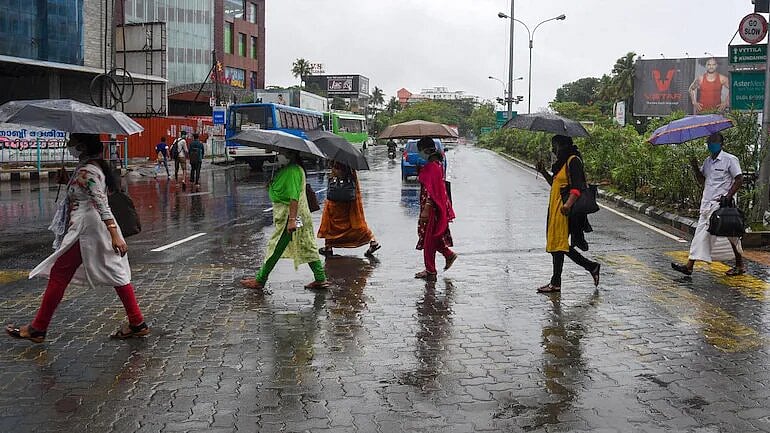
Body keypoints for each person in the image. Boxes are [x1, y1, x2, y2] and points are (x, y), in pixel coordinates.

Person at [5, 133, 149, 343]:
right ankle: (137, 322)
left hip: (86, 230)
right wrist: (68, 180)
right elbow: (86, 193)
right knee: (115, 272)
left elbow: (101, 202)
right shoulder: (89, 168)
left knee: (60, 274)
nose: (68, 146)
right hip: (92, 228)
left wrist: (114, 234)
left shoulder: (87, 171)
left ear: (82, 146)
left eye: (71, 142)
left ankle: (38, 328)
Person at [240, 150, 330, 291]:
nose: (279, 156)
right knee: (306, 245)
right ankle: (320, 278)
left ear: (291, 155)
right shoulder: (290, 169)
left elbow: (293, 197)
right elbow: (281, 189)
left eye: (282, 153)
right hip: (298, 215)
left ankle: (260, 280)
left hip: (291, 216)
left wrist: (292, 220)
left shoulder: (293, 171)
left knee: (275, 247)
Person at [671, 132, 744, 276]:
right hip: (707, 204)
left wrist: (728, 196)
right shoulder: (708, 162)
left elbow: (739, 179)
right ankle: (739, 264)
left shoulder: (730, 159)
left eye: (714, 142)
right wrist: (694, 167)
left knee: (706, 234)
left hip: (721, 205)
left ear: (721, 144)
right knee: (727, 235)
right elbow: (702, 181)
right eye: (709, 142)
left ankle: (689, 265)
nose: (711, 145)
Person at [535, 135, 600, 293]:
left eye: (555, 146)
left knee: (560, 245)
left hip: (566, 211)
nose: (553, 149)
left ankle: (558, 281)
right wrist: (543, 171)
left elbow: (577, 187)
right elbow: (555, 184)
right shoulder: (561, 163)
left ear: (563, 145)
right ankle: (589, 267)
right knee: (558, 245)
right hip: (556, 209)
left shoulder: (573, 161)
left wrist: (567, 205)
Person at [414, 137, 457, 282]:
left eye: (419, 150)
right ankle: (448, 255)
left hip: (432, 208)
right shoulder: (435, 164)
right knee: (433, 237)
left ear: (425, 150)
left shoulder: (433, 166)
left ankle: (430, 270)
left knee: (429, 240)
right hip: (434, 207)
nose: (419, 153)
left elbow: (431, 191)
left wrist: (427, 208)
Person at [317, 161, 381, 257]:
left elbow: (340, 173)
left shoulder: (339, 161)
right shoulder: (349, 162)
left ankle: (328, 247)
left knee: (332, 222)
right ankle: (372, 241)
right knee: (354, 222)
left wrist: (333, 172)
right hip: (348, 198)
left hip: (338, 199)